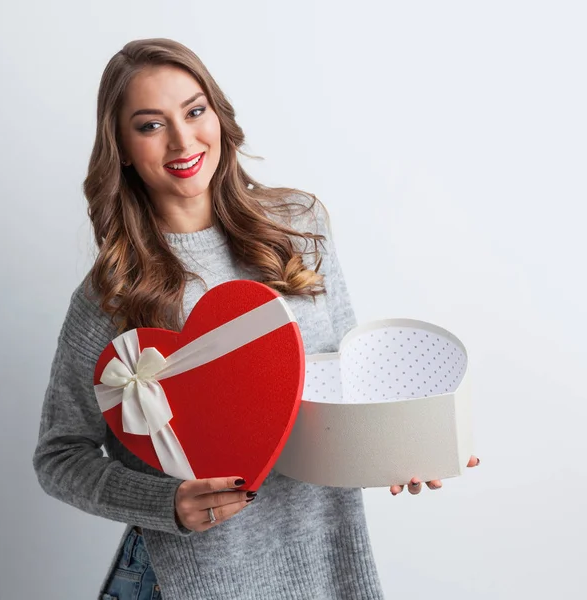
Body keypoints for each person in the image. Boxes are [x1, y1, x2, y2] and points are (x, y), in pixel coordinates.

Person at [33, 38, 480, 600]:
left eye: (195, 111)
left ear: (217, 115)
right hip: (189, 581)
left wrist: (403, 444)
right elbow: (59, 456)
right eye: (150, 125)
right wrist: (163, 503)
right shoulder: (112, 293)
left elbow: (343, 385)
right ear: (120, 146)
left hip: (324, 563)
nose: (182, 139)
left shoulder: (298, 227)